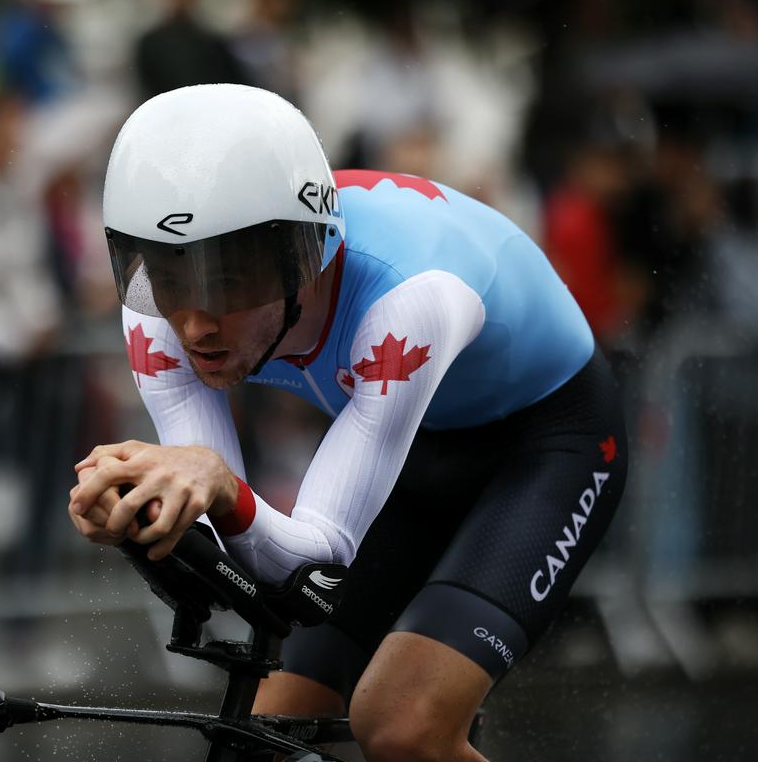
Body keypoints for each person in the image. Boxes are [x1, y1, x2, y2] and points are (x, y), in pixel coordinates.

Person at [69, 85, 628, 762]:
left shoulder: (407, 299)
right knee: (267, 735)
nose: (194, 324)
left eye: (227, 282)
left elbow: (312, 559)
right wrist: (145, 514)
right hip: (415, 451)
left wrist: (214, 483)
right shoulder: (155, 316)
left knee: (401, 726)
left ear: (302, 258)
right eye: (170, 279)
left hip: (548, 441)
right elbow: (234, 551)